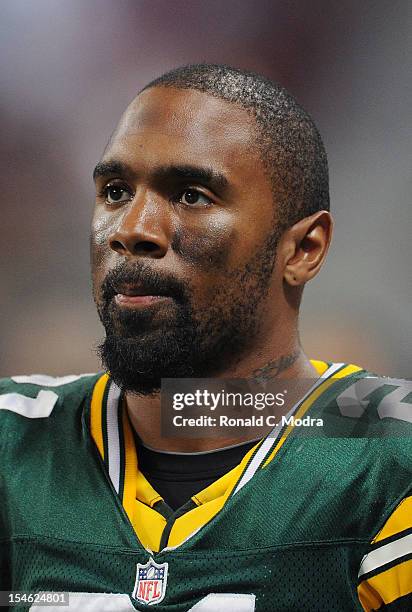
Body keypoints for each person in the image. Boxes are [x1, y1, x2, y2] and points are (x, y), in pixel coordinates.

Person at [0, 64, 411, 611]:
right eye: (116, 191)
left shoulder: (387, 463)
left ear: (304, 248)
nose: (132, 229)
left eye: (192, 196)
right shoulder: (13, 444)